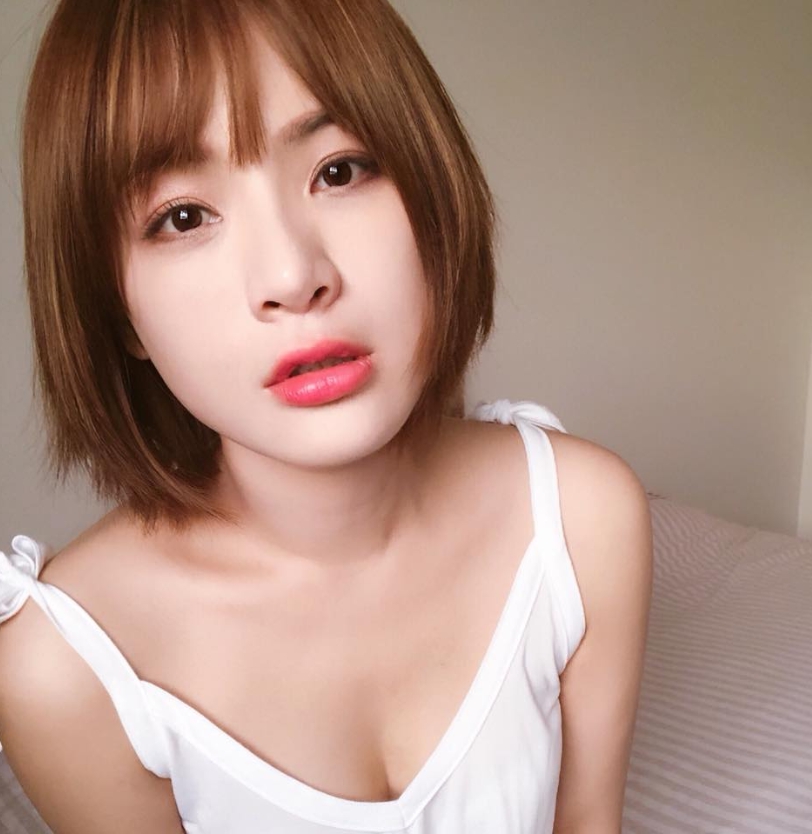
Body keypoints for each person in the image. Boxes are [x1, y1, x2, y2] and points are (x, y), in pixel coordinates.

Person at [0, 1, 653, 832]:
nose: (293, 274)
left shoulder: (583, 518)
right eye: (183, 217)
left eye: (339, 171)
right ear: (117, 312)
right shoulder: (67, 668)